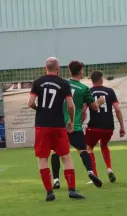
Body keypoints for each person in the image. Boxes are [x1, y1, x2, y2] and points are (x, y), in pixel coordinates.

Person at [27, 57, 85, 201]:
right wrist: (71, 121)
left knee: (43, 157)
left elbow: (30, 103)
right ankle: (72, 190)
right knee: (66, 156)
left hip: (42, 125)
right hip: (58, 125)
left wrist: (39, 109)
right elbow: (71, 105)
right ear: (58, 68)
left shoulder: (37, 82)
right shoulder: (64, 83)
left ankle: (49, 193)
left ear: (45, 67)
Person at [51, 61, 104, 189]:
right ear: (80, 71)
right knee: (82, 150)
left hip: (59, 125)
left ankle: (56, 180)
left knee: (55, 152)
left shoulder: (63, 84)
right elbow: (94, 107)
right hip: (75, 125)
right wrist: (100, 101)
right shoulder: (84, 89)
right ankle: (90, 172)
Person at [84, 70, 126, 184]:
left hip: (94, 126)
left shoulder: (88, 91)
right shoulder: (110, 91)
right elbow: (117, 109)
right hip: (108, 127)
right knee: (104, 145)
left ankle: (95, 176)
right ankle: (109, 168)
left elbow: (83, 110)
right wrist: (122, 126)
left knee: (89, 148)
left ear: (92, 80)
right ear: (101, 79)